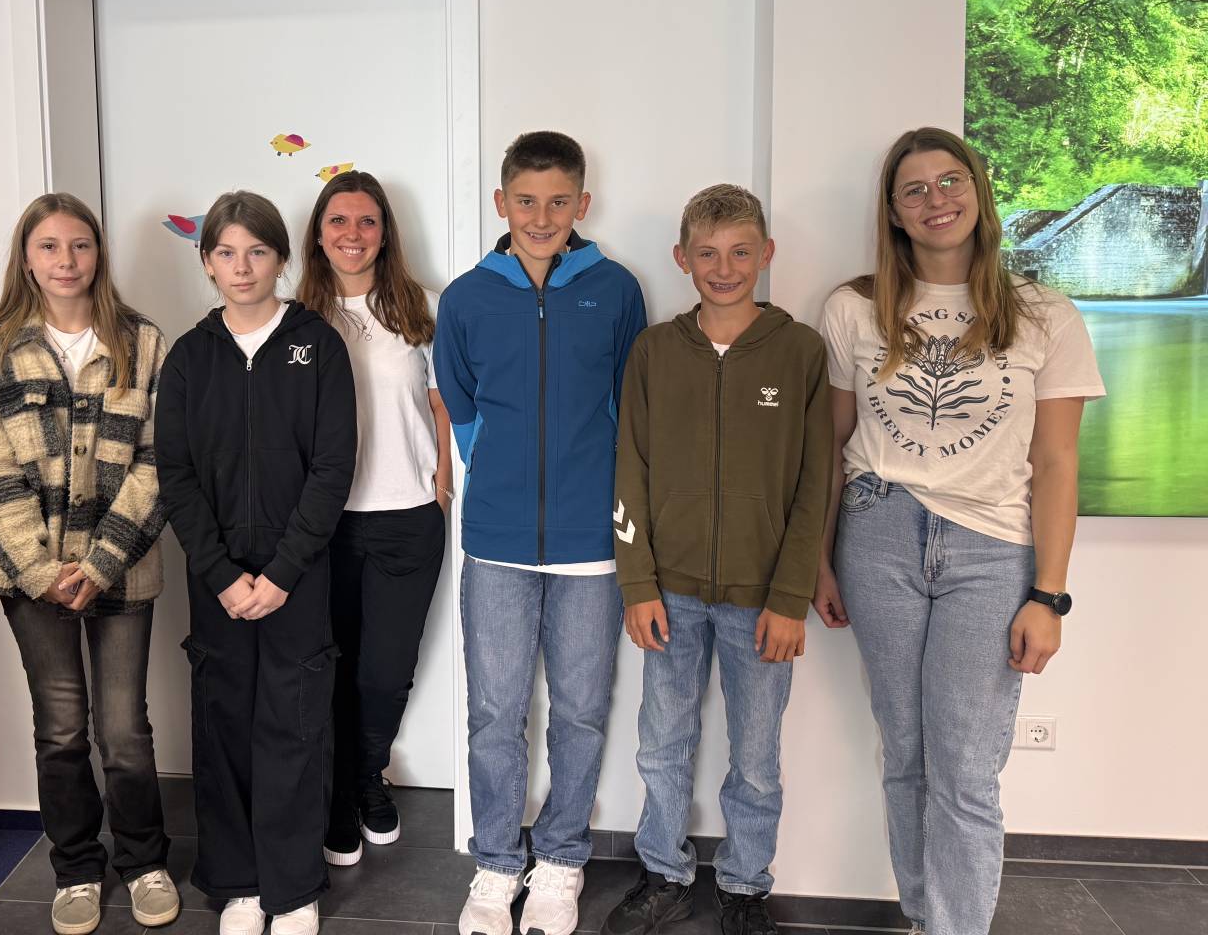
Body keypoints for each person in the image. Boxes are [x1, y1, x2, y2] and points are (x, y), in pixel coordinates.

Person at [812, 128, 1105, 935]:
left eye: (951, 182)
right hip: (876, 534)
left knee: (966, 770)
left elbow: (1057, 464)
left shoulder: (1045, 315)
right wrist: (819, 560)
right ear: (893, 212)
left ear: (978, 192)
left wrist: (1049, 594)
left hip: (992, 548)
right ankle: (924, 917)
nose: (935, 200)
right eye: (914, 189)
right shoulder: (853, 309)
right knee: (904, 753)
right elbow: (831, 445)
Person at [603, 185, 831, 935]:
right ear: (682, 258)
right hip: (667, 594)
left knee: (756, 757)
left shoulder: (800, 352)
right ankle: (664, 875)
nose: (724, 268)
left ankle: (744, 888)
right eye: (707, 253)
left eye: (740, 252)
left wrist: (791, 596)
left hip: (762, 599)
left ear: (767, 255)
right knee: (661, 744)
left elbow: (815, 485)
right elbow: (629, 469)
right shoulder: (654, 351)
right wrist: (637, 584)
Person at [434, 131, 647, 935]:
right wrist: (494, 467)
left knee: (581, 711)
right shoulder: (466, 298)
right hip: (496, 541)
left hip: (593, 541)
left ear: (582, 204)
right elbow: (459, 402)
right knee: (495, 712)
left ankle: (560, 862)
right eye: (526, 200)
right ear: (502, 203)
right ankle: (495, 866)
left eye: (559, 201)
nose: (542, 216)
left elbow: (632, 403)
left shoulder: (615, 289)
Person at [0, 192, 179, 935]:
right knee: (60, 730)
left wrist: (103, 560)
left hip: (125, 568)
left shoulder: (143, 342)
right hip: (32, 577)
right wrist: (43, 570)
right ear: (27, 258)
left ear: (99, 254)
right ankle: (77, 869)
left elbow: (160, 461)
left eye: (80, 245)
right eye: (49, 247)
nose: (66, 261)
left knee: (124, 733)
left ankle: (145, 863)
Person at [155, 190, 356, 935]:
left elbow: (332, 469)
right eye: (227, 253)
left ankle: (293, 887)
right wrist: (220, 574)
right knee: (224, 726)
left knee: (294, 725)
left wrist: (281, 573)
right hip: (218, 581)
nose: (242, 268)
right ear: (207, 262)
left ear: (282, 258)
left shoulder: (318, 346)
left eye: (257, 252)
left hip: (296, 575)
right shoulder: (190, 357)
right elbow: (175, 475)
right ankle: (239, 883)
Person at [295, 170, 453, 868]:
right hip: (322, 525)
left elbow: (443, 404)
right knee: (328, 665)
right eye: (338, 220)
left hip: (407, 518)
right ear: (318, 234)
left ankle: (367, 776)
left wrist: (442, 482)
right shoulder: (296, 315)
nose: (352, 234)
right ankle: (335, 795)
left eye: (366, 221)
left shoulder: (424, 307)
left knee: (385, 672)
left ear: (385, 232)